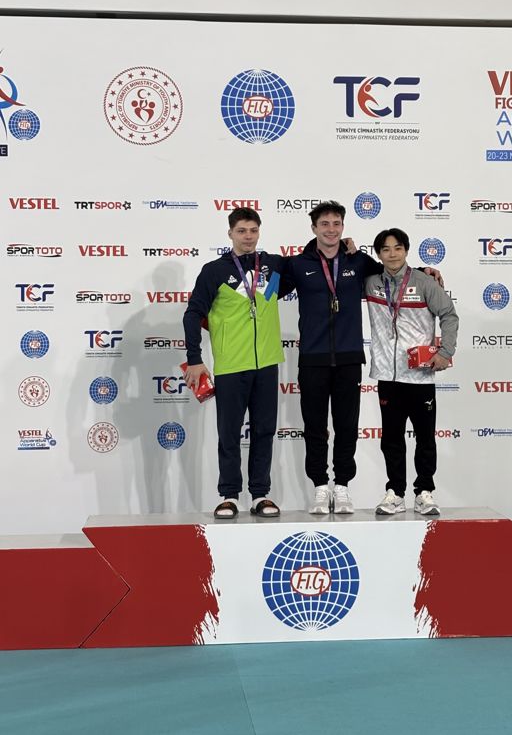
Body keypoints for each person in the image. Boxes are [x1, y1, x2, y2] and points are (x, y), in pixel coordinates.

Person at [286, 201, 443, 515]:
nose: (331, 229)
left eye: (336, 223)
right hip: (312, 359)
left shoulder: (358, 262)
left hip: (348, 359)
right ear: (314, 228)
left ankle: (342, 486)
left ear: (343, 227)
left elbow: (394, 270)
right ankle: (320, 487)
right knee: (314, 427)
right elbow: (266, 291)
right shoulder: (297, 265)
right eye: (324, 224)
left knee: (347, 426)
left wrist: (425, 272)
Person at [183, 208, 292, 519]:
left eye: (253, 230)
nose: (248, 236)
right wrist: (194, 359)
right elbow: (193, 314)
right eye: (242, 231)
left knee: (264, 431)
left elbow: (313, 260)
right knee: (229, 433)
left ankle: (260, 494)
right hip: (231, 365)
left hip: (267, 363)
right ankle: (229, 495)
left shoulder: (273, 266)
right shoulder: (214, 271)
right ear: (230, 233)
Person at [365, 228, 458, 516]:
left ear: (406, 250)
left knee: (425, 437)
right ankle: (395, 492)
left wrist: (446, 352)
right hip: (387, 375)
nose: (392, 254)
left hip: (419, 376)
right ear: (378, 254)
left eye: (397, 248)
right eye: (385, 249)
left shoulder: (424, 281)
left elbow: (449, 314)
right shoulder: (370, 282)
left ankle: (424, 492)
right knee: (391, 438)